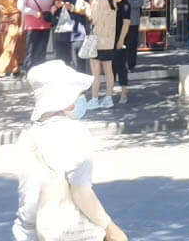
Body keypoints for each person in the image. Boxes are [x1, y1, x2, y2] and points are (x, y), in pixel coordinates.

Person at [11, 61, 131, 241]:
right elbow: (81, 192)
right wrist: (111, 228)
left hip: (27, 231)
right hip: (63, 232)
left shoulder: (27, 136)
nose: (80, 99)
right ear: (66, 100)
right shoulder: (75, 133)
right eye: (77, 94)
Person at [84, 0, 123, 108]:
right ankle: (108, 98)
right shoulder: (113, 1)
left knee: (95, 72)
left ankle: (94, 99)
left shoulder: (97, 0)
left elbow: (93, 19)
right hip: (109, 41)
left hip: (97, 40)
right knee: (109, 71)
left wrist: (87, 7)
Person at [21, 0, 56, 71]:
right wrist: (33, 12)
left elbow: (51, 2)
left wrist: (53, 7)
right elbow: (20, 6)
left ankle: (40, 70)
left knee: (42, 49)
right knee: (31, 49)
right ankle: (28, 69)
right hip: (32, 25)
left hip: (45, 24)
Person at [52, 0, 85, 66]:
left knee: (79, 65)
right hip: (62, 34)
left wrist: (71, 7)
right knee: (62, 64)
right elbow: (54, 5)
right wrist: (54, 7)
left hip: (77, 34)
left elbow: (88, 11)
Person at [0, 0, 25, 77]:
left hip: (13, 23)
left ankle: (1, 70)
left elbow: (22, 10)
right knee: (6, 46)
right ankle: (15, 68)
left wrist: (22, 25)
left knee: (8, 46)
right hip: (3, 23)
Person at [117, 0, 143, 82]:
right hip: (120, 19)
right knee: (120, 42)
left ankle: (131, 65)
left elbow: (140, 2)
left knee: (131, 43)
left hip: (132, 19)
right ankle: (120, 64)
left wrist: (128, 4)